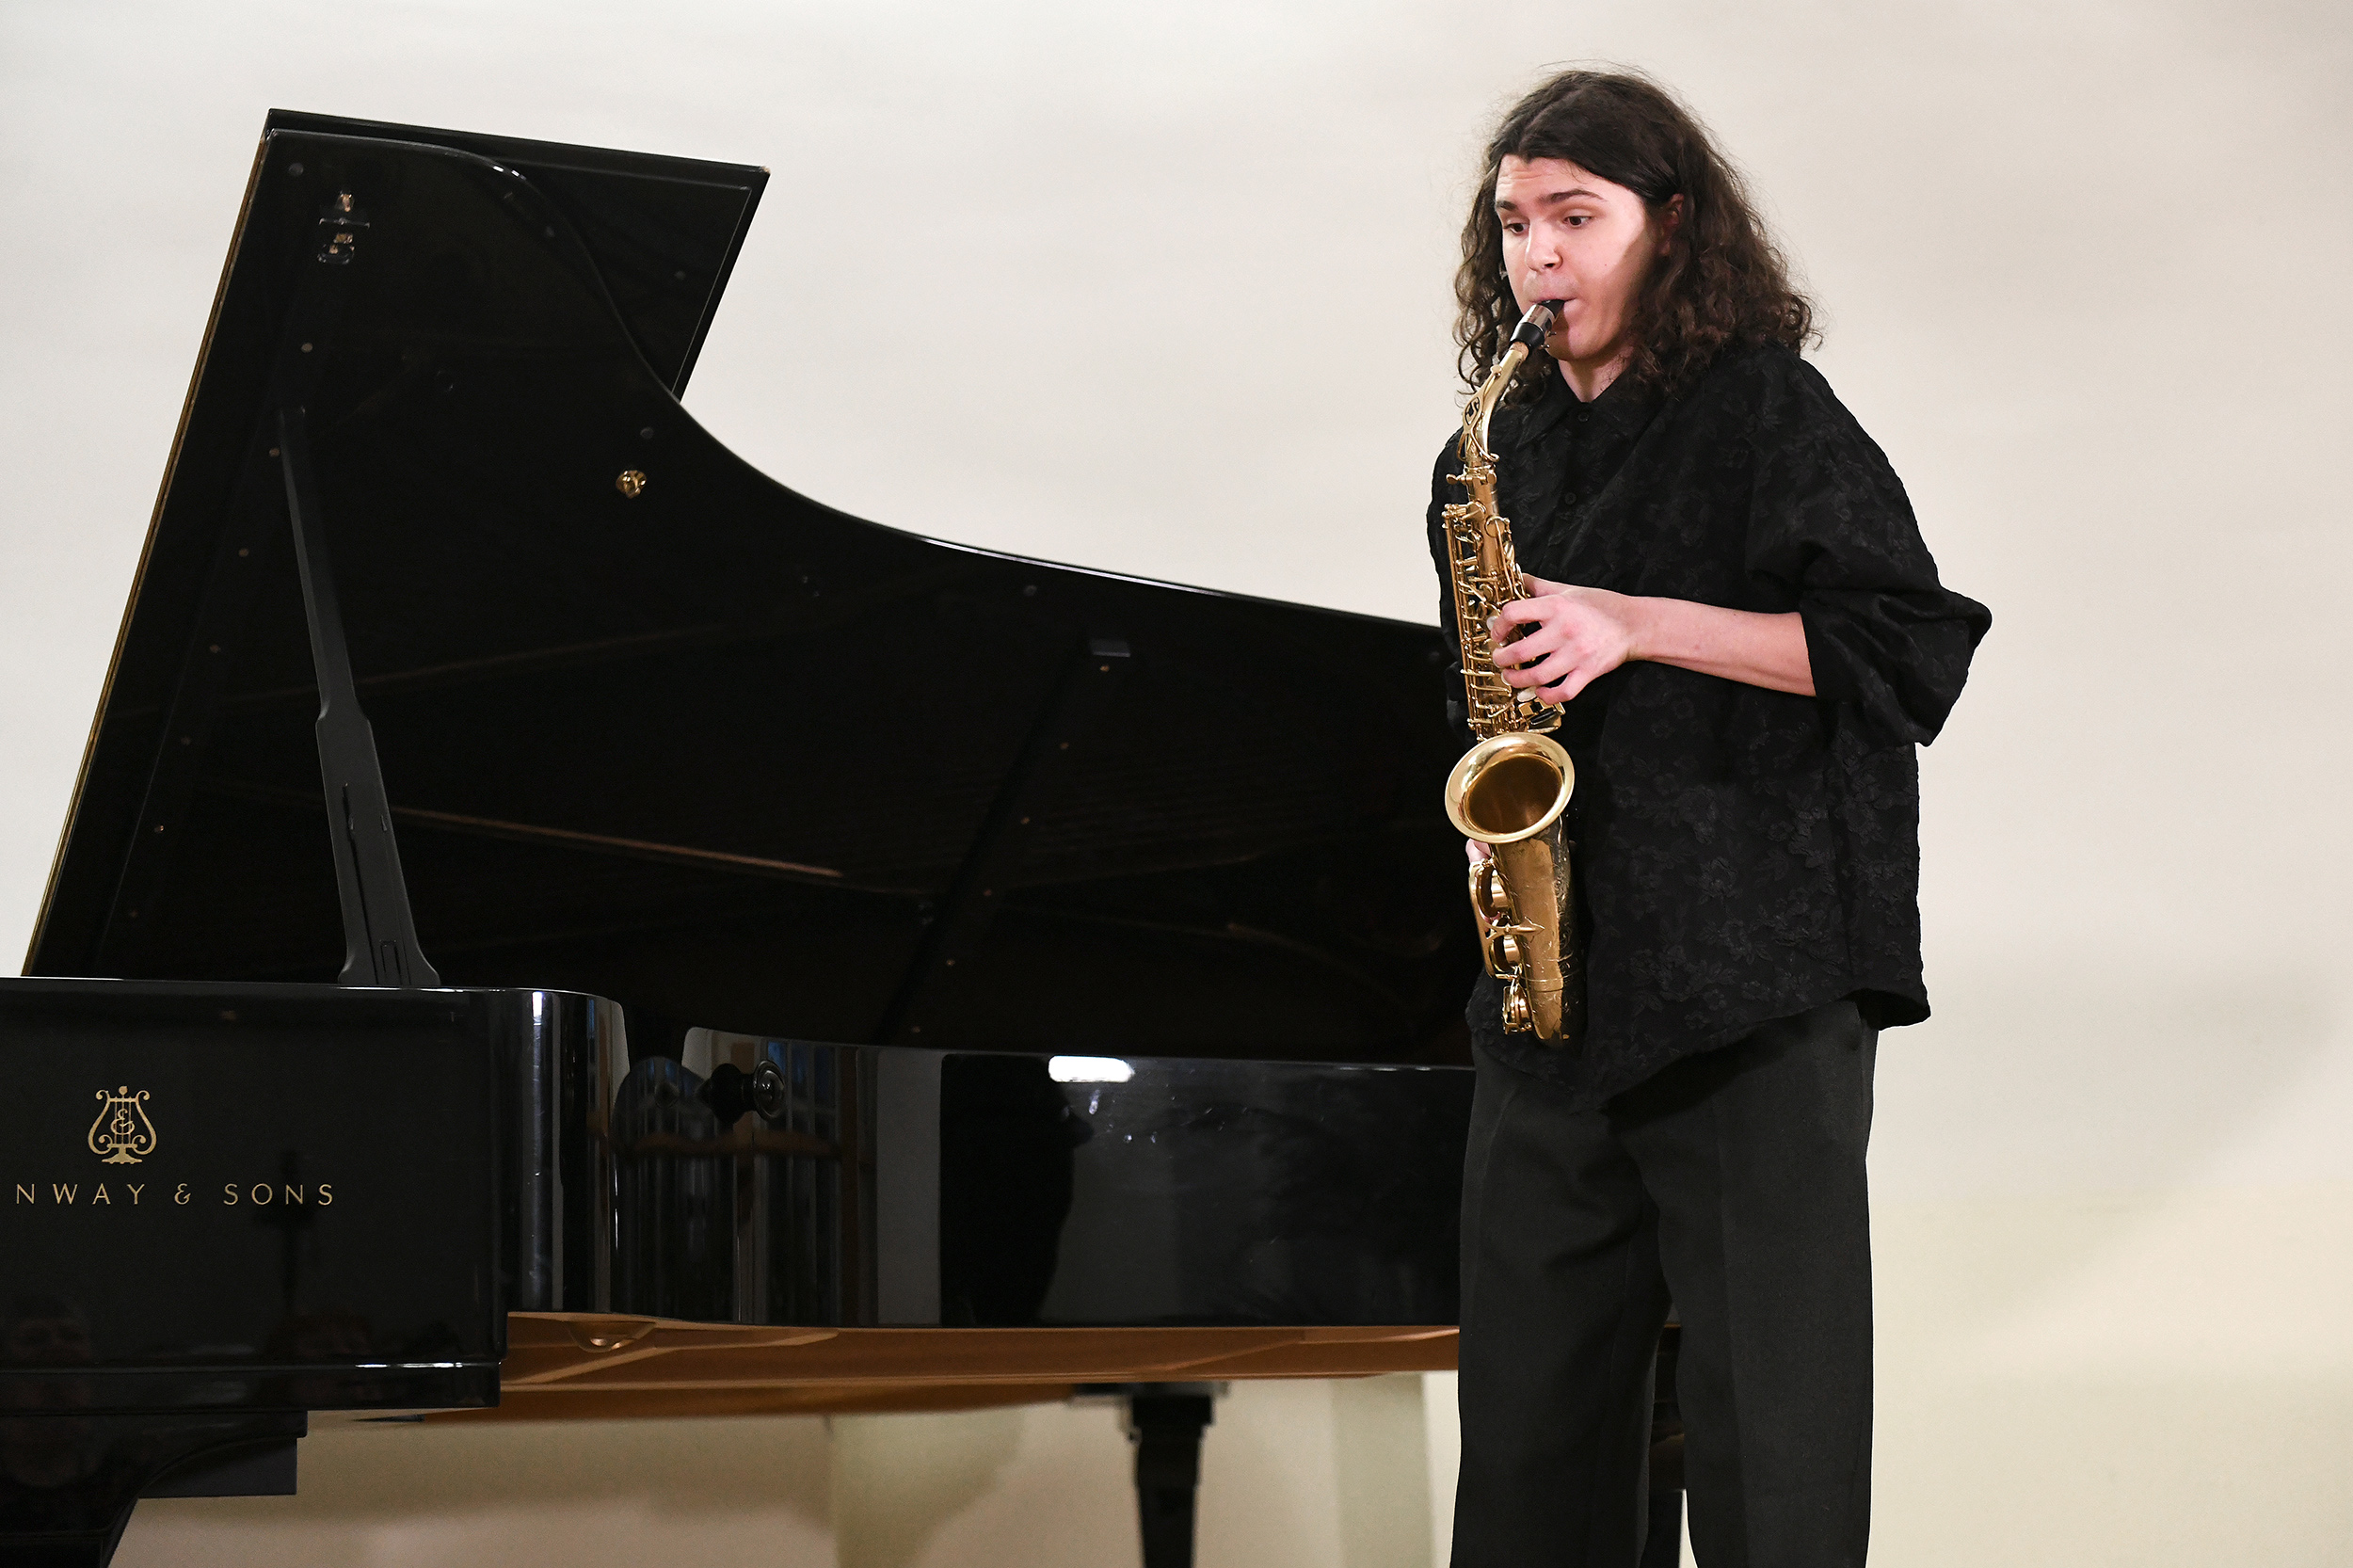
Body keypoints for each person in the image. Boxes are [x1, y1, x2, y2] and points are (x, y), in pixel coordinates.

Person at [1427, 71, 1990, 1567]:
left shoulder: (1764, 410)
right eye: (1514, 224)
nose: (1537, 255)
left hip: (1757, 985)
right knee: (1526, 1461)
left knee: (1772, 1456)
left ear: (1670, 226)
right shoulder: (1494, 451)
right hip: (1559, 997)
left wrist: (1635, 623)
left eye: (1575, 217)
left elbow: (1906, 649)